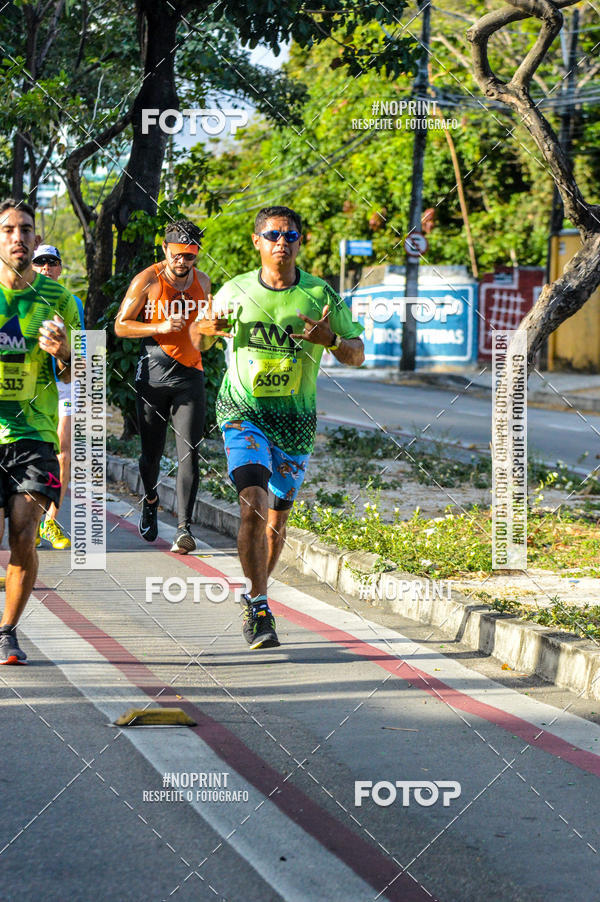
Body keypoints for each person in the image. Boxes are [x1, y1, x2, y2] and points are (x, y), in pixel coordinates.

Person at [210, 205, 364, 649]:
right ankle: (258, 606)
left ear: (301, 242)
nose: (282, 242)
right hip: (243, 412)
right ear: (257, 242)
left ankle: (258, 593)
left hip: (295, 422)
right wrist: (207, 327)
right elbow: (202, 334)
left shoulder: (319, 294)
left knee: (277, 521)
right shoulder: (235, 290)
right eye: (273, 235)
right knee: (252, 505)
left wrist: (330, 340)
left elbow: (358, 353)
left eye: (290, 235)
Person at [0, 199, 80, 664]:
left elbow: (73, 377)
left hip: (35, 434)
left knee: (24, 535)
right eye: (8, 229)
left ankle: (7, 630)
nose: (18, 237)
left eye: (26, 229)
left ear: (36, 237)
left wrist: (66, 352)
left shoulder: (61, 301)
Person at [115, 220, 224, 553]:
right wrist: (159, 324)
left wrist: (218, 327)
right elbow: (120, 326)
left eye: (189, 257)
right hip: (154, 374)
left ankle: (183, 529)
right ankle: (150, 498)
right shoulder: (147, 279)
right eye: (177, 255)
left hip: (190, 375)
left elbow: (208, 327)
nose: (183, 262)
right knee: (151, 453)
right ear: (165, 249)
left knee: (190, 452)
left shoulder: (202, 281)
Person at [32, 244, 85, 549]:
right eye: (41, 263)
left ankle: (50, 521)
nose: (47, 268)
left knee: (63, 452)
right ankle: (27, 514)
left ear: (60, 268)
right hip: (29, 387)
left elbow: (79, 349)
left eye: (52, 262)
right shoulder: (20, 300)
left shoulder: (71, 302)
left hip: (63, 382)